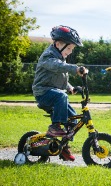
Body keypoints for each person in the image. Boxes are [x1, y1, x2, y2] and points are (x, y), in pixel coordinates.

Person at [32, 25, 87, 161]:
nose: (70, 52)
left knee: (73, 121)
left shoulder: (60, 57)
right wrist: (76, 69)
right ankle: (54, 127)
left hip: (55, 94)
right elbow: (57, 67)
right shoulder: (48, 56)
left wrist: (70, 88)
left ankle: (62, 147)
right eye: (69, 48)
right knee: (61, 96)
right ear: (58, 44)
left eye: (72, 49)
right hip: (43, 93)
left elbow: (60, 77)